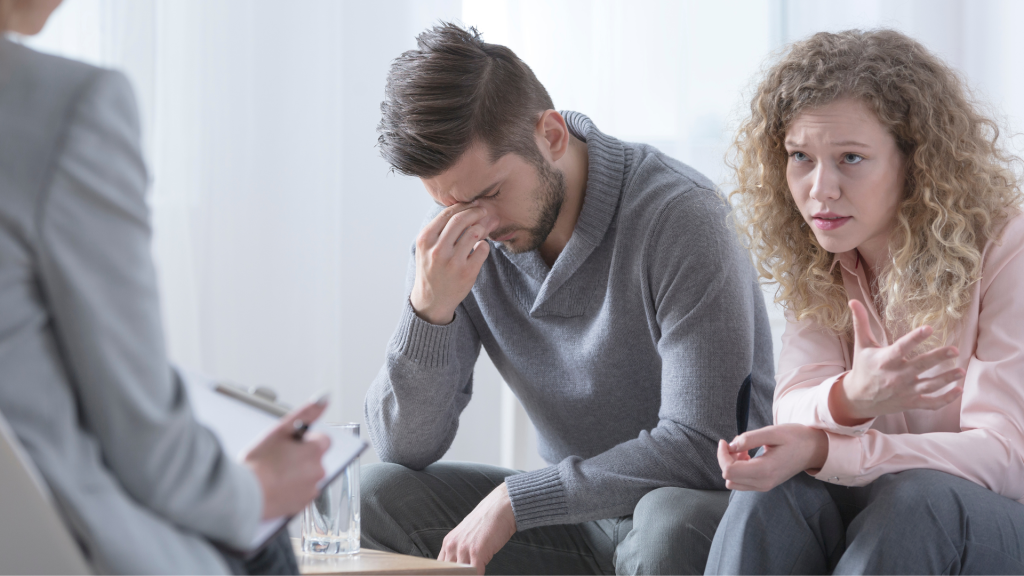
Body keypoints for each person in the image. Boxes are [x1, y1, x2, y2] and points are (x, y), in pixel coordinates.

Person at [362, 22, 775, 575]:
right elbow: (402, 446)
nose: (476, 224)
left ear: (551, 135)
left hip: (694, 510)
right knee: (379, 493)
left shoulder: (681, 217)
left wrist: (517, 501)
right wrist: (428, 311)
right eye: (452, 205)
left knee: (667, 522)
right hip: (578, 520)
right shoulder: (461, 248)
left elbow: (704, 446)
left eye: (488, 194)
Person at [0, 1, 330, 573]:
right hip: (55, 545)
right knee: (268, 547)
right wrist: (257, 487)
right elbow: (146, 445)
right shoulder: (63, 106)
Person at [704, 29, 1024, 574]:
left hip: (987, 520)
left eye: (851, 158)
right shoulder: (824, 251)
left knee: (916, 501)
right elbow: (795, 402)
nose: (820, 188)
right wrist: (852, 398)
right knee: (770, 493)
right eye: (800, 156)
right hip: (880, 502)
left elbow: (1006, 458)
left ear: (918, 163)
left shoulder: (1007, 248)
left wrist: (832, 451)